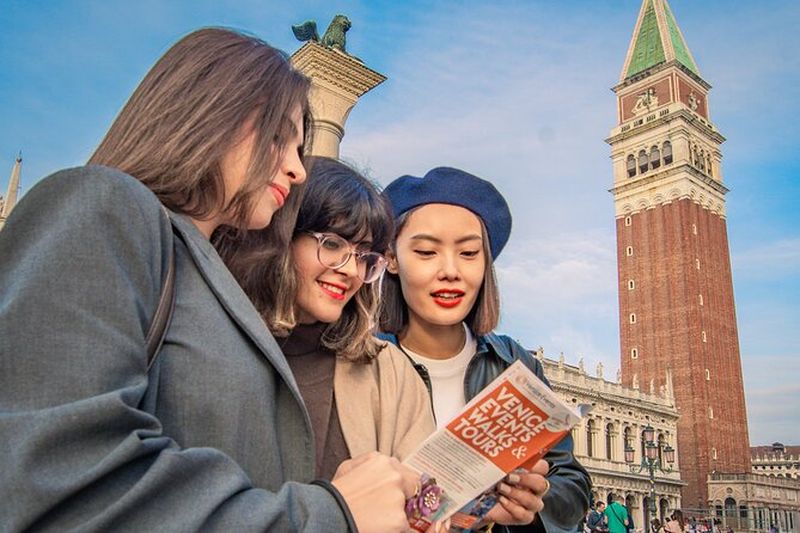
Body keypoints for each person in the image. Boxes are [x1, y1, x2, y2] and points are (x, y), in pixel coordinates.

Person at [0, 28, 418, 532]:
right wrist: (332, 513)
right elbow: (56, 483)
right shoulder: (103, 205)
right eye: (279, 138)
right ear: (210, 115)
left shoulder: (208, 278)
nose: (297, 169)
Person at [379, 167, 592, 531]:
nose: (450, 270)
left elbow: (572, 482)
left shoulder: (515, 363)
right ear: (392, 258)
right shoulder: (362, 362)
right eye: (427, 251)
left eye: (468, 253)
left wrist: (535, 501)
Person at [217, 156, 435, 478]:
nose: (350, 270)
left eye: (364, 256)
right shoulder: (210, 341)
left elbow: (429, 502)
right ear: (281, 236)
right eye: (332, 244)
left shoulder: (390, 371)